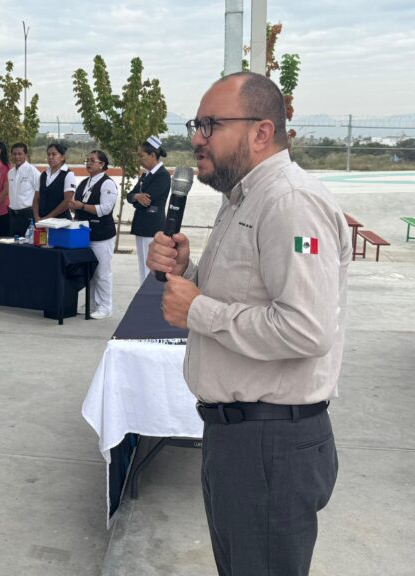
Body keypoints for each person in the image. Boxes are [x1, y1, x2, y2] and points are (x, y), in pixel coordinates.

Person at [148, 72, 350, 576]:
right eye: (197, 124)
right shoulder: (244, 199)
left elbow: (307, 329)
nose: (196, 138)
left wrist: (196, 309)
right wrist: (187, 275)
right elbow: (246, 297)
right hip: (240, 439)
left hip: (270, 446)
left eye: (210, 124)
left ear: (261, 132)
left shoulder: (289, 203)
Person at [69, 150, 118, 320]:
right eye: (87, 160)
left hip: (102, 234)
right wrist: (73, 206)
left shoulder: (108, 184)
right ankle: (91, 303)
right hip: (84, 234)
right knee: (89, 272)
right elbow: (77, 203)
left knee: (102, 273)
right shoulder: (84, 182)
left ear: (102, 164)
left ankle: (105, 306)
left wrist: (81, 206)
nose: (88, 163)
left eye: (92, 161)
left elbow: (105, 209)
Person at [127, 135, 171, 283]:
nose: (140, 159)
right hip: (141, 225)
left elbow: (145, 202)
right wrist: (136, 197)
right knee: (142, 267)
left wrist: (137, 198)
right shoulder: (146, 175)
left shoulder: (162, 175)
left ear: (152, 155)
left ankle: (149, 301)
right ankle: (143, 298)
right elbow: (130, 196)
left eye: (142, 155)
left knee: (150, 268)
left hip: (152, 227)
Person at [34, 143, 77, 222]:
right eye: (48, 154)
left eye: (54, 154)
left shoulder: (68, 175)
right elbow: (36, 199)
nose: (50, 157)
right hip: (42, 220)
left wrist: (49, 217)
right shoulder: (43, 175)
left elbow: (67, 201)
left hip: (61, 222)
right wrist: (36, 217)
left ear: (62, 157)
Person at [6, 142, 40, 237]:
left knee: (27, 245)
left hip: (27, 214)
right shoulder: (10, 173)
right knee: (13, 245)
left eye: (20, 154)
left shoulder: (32, 171)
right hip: (12, 214)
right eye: (14, 154)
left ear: (25, 155)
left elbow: (40, 193)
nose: (17, 157)